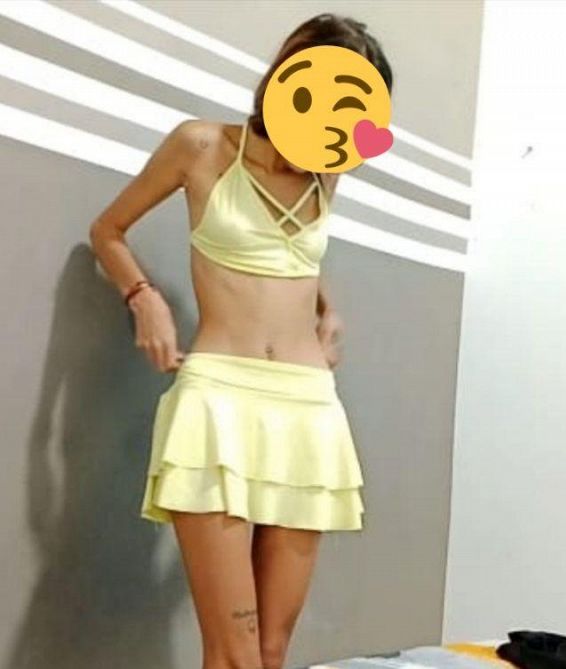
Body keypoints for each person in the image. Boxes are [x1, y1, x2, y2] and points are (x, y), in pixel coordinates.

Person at [89, 12, 393, 669]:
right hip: (219, 400)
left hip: (308, 408)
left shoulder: (328, 172)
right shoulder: (200, 146)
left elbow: (290, 254)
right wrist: (145, 299)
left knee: (272, 651)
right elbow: (107, 231)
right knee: (234, 653)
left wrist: (328, 309)